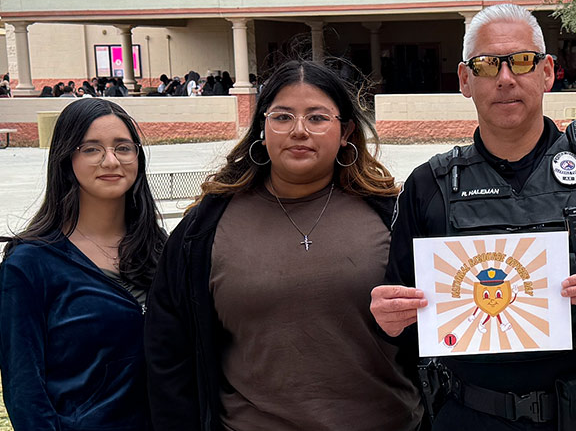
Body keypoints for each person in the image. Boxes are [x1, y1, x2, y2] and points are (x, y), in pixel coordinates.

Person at [367, 4, 576, 431]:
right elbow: (399, 314)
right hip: (471, 417)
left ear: (547, 71)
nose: (506, 78)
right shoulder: (429, 185)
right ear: (464, 80)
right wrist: (387, 318)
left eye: (523, 61)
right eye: (487, 65)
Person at [148, 60, 418, 431]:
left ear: (346, 132)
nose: (299, 131)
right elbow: (169, 350)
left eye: (318, 118)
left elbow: (437, 324)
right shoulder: (203, 230)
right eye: (283, 117)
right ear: (262, 128)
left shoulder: (396, 217)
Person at [0, 98, 164, 431]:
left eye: (123, 148)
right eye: (91, 149)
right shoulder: (30, 264)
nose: (111, 160)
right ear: (65, 159)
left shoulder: (162, 251)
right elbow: (24, 391)